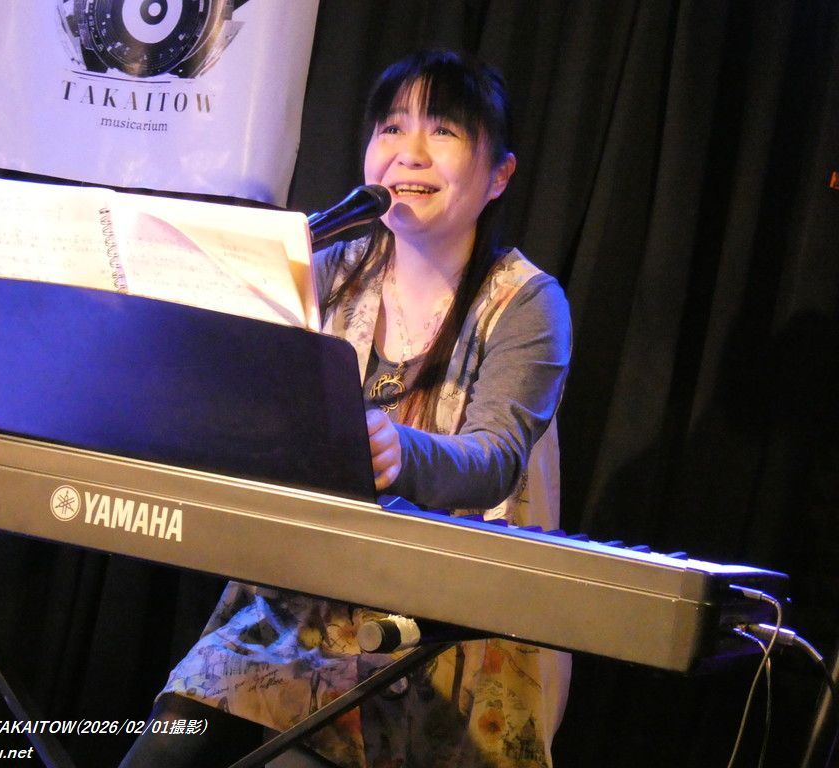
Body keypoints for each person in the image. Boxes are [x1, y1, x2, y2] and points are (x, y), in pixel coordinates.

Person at [120, 49, 572, 768]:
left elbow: (495, 459)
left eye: (443, 131)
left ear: (499, 175)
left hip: (434, 638)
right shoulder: (325, 266)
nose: (409, 152)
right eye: (391, 128)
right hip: (291, 613)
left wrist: (400, 449)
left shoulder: (525, 303)